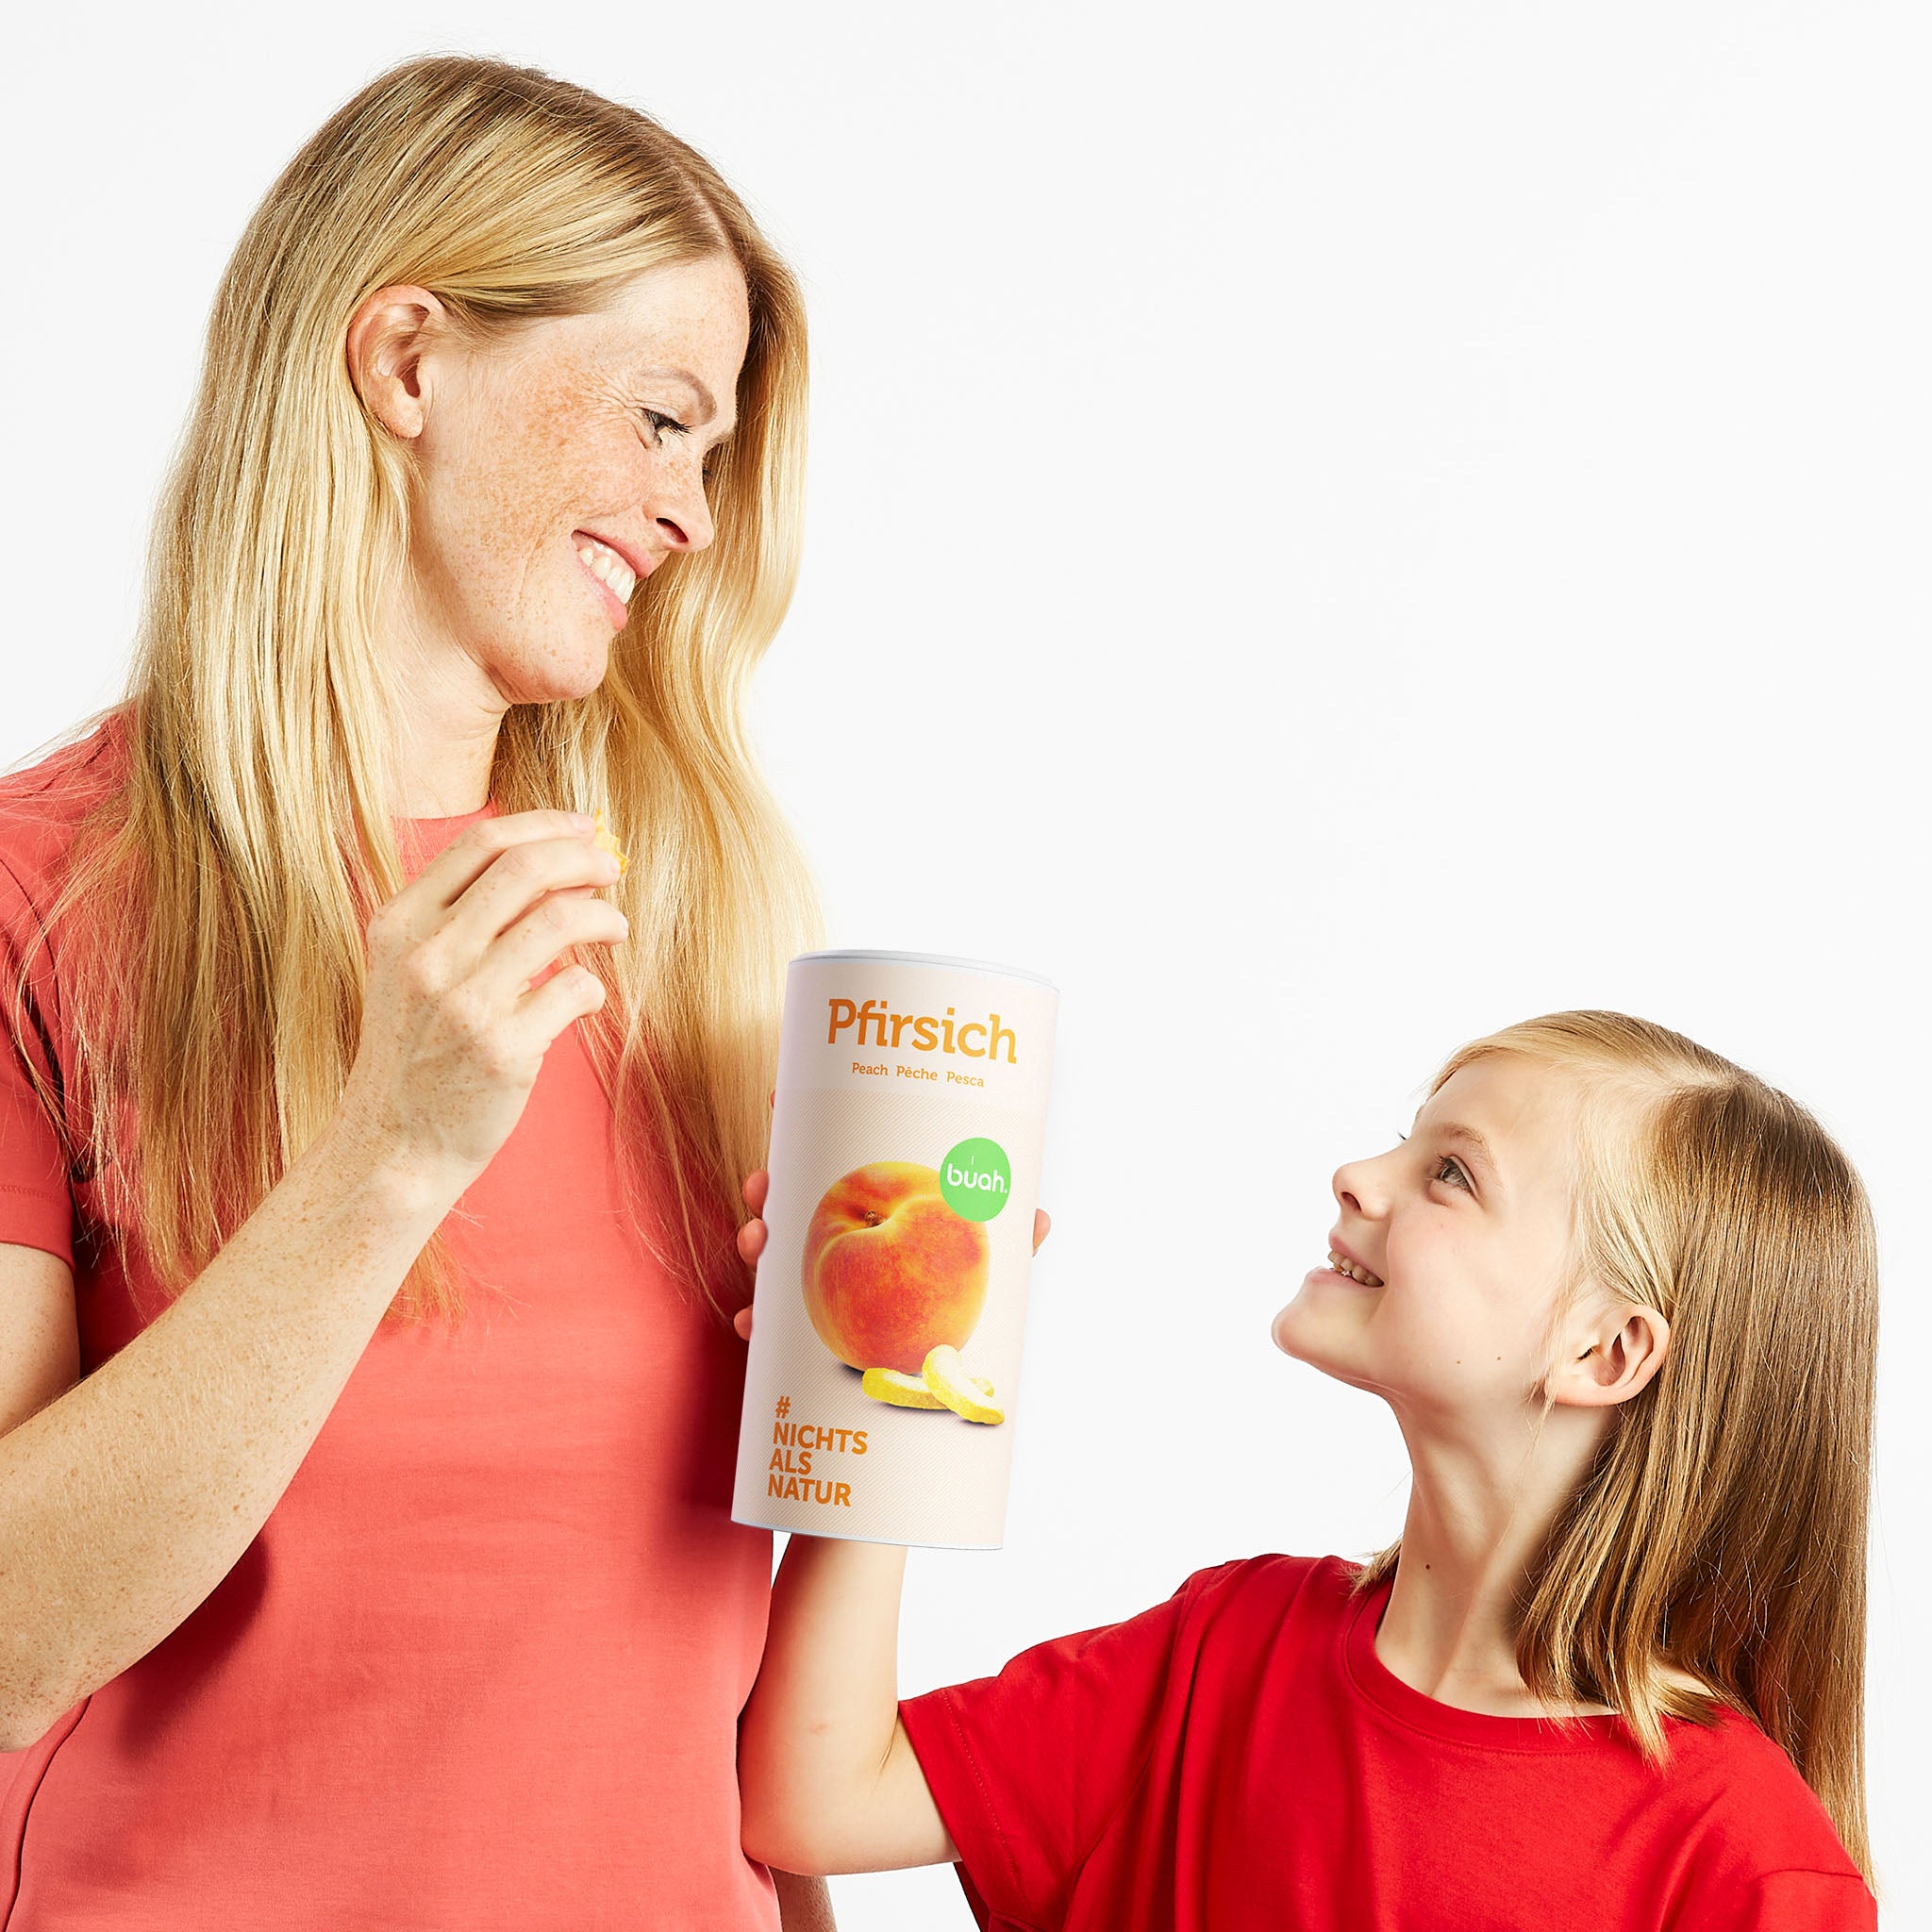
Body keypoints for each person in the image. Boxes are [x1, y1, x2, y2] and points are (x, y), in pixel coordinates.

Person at [0, 55, 835, 1931]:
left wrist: (904, 1397)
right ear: (403, 362)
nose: (689, 512)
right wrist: (391, 1154)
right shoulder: (36, 900)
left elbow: (695, 1701)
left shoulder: (682, 926)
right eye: (659, 417)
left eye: (712, 456)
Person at [737, 1011, 1880, 1929]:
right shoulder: (1226, 1645)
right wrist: (891, 1382)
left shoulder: (1748, 1871)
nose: (1356, 1173)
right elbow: (812, 1800)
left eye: (1449, 1173)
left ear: (1603, 1349)